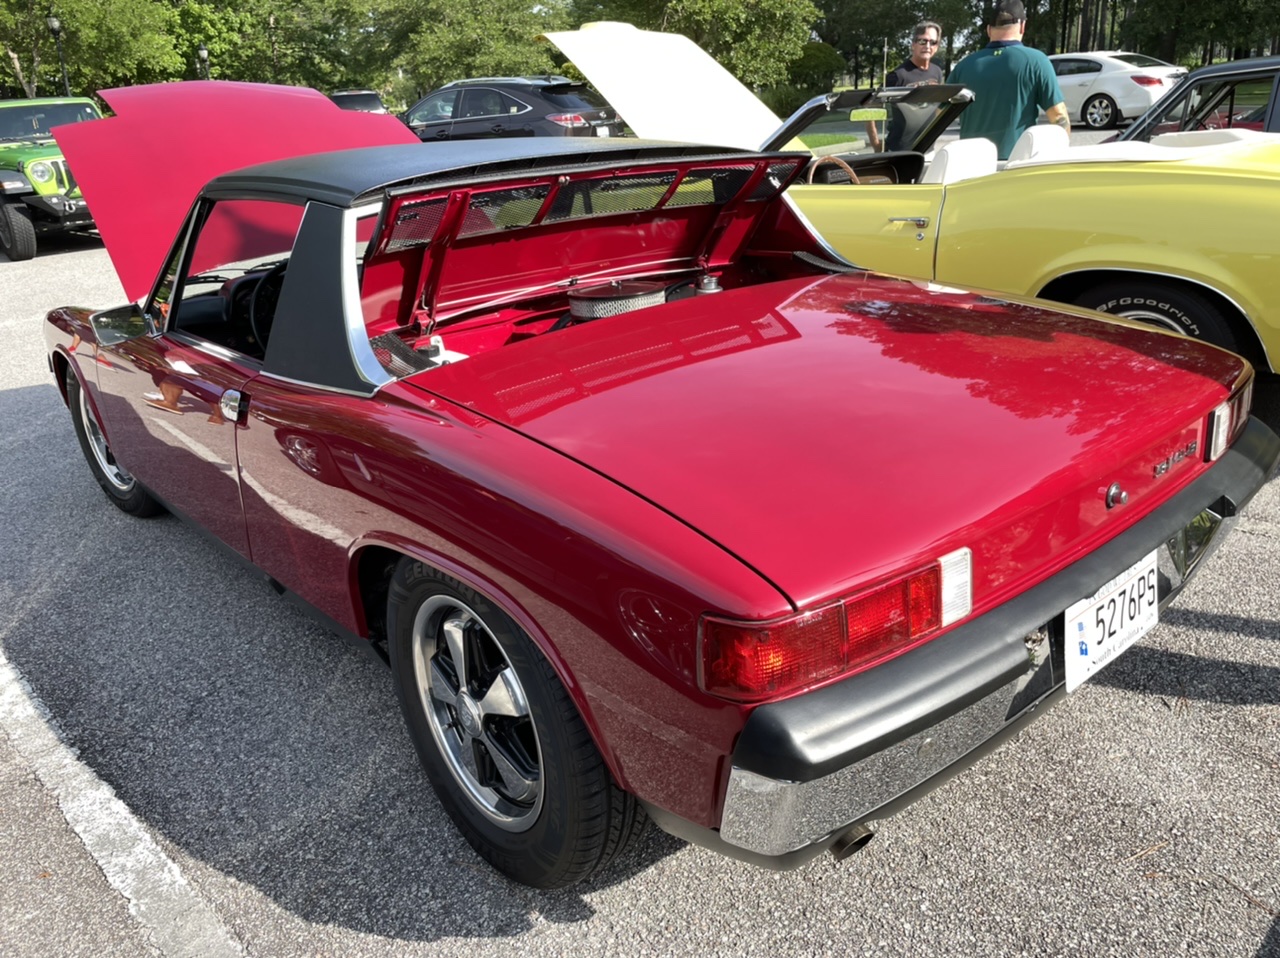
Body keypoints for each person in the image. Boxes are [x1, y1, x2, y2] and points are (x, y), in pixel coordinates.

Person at [946, 0, 1070, 160]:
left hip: (971, 164)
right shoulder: (1036, 61)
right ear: (1023, 26)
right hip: (1016, 166)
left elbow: (938, 115)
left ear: (989, 29)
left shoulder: (963, 66)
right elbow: (1059, 116)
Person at [868, 21, 945, 153]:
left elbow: (937, 106)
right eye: (923, 41)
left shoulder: (937, 72)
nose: (927, 46)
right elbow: (870, 107)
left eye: (933, 42)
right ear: (913, 44)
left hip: (928, 148)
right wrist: (875, 143)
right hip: (899, 150)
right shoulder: (898, 75)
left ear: (937, 47)